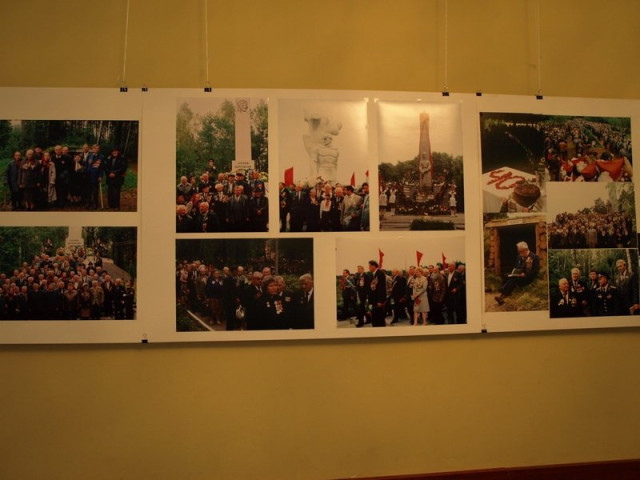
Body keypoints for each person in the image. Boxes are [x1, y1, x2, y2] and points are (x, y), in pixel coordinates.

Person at [367, 260, 387, 327]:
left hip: (378, 301)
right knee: (374, 318)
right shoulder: (372, 275)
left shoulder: (380, 274)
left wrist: (380, 301)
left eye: (369, 266)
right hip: (373, 300)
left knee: (379, 319)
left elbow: (382, 288)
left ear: (373, 266)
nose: (368, 267)